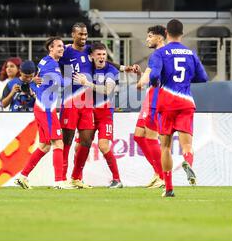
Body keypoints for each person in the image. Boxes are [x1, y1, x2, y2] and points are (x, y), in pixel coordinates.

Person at [59, 22, 139, 188]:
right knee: (70, 143)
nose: (83, 37)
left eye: (85, 34)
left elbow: (108, 63)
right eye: (80, 34)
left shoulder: (95, 56)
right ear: (73, 34)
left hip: (94, 108)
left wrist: (126, 68)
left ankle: (78, 178)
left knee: (87, 143)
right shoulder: (65, 50)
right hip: (73, 103)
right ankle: (63, 178)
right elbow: (52, 58)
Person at [149, 19, 208, 197]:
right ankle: (187, 161)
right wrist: (185, 80)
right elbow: (203, 77)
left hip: (166, 104)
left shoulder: (160, 53)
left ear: (166, 32)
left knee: (165, 146)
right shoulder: (191, 53)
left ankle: (168, 188)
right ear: (182, 33)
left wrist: (156, 83)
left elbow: (154, 75)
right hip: (185, 103)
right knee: (187, 145)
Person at [14, 37, 72, 189]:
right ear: (50, 48)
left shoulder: (45, 61)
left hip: (42, 107)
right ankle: (59, 182)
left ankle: (22, 176)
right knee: (58, 143)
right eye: (58, 46)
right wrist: (77, 79)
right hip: (46, 109)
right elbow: (62, 82)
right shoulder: (52, 65)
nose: (62, 49)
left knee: (45, 146)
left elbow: (42, 77)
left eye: (62, 46)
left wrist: (34, 80)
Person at [73, 42, 123, 188]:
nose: (101, 57)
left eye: (103, 54)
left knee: (103, 146)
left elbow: (108, 90)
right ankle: (77, 178)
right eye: (98, 54)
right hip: (88, 112)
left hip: (104, 114)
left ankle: (117, 179)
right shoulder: (87, 68)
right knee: (79, 147)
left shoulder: (111, 70)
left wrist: (88, 84)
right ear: (92, 57)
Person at [134, 25, 166, 189]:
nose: (147, 39)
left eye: (150, 36)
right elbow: (148, 71)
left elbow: (149, 75)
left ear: (159, 38)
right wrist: (141, 80)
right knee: (138, 136)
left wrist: (141, 82)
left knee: (150, 136)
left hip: (156, 95)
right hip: (152, 95)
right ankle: (157, 173)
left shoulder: (159, 54)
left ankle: (162, 176)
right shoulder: (160, 55)